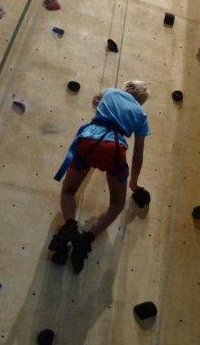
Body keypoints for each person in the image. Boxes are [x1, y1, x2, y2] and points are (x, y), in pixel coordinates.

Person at [49, 80, 152, 273]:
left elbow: (96, 100)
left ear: (127, 88)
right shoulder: (141, 114)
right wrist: (133, 183)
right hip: (114, 149)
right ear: (141, 102)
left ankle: (69, 226)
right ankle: (86, 240)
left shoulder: (111, 92)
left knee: (69, 192)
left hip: (88, 140)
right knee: (117, 204)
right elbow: (138, 156)